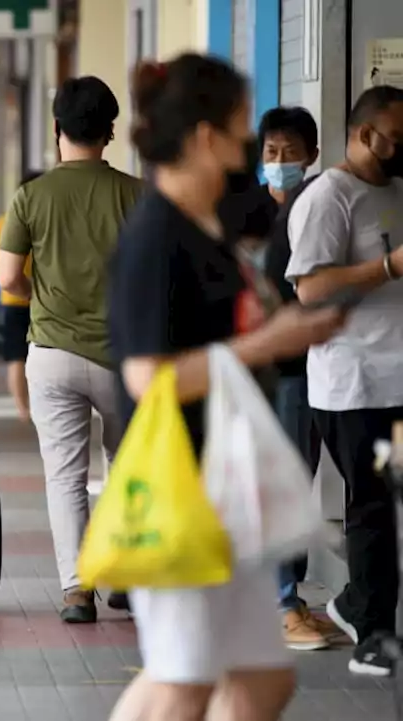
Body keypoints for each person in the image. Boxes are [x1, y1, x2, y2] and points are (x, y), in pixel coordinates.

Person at [106, 55, 345, 721]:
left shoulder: (205, 229)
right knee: (179, 682)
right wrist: (265, 345)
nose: (251, 152)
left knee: (263, 680)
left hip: (226, 484)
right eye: (243, 133)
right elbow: (147, 376)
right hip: (177, 487)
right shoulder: (156, 236)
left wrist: (283, 330)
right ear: (206, 136)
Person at [0, 75, 145, 623]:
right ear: (111, 131)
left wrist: (47, 295)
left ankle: (77, 590)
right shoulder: (136, 194)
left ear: (57, 129)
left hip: (52, 353)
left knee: (64, 475)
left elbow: (8, 277)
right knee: (126, 466)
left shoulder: (31, 196)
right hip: (123, 356)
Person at [285, 84, 403, 677]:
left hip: (399, 376)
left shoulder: (398, 192)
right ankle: (373, 634)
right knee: (373, 505)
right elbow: (309, 288)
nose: (401, 151)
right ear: (363, 135)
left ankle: (358, 604)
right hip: (350, 382)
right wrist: (386, 266)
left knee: (385, 503)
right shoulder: (327, 198)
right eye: (396, 141)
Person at [248, 106, 342, 651]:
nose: (279, 163)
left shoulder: (316, 206)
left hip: (318, 365)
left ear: (310, 155)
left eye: (288, 153)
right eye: (271, 152)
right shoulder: (254, 214)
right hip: (279, 371)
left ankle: (288, 598)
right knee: (285, 482)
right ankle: (280, 604)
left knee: (299, 482)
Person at [0, 171, 43, 422]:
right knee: (45, 354)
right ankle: (43, 406)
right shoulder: (51, 219)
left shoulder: (6, 220)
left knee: (16, 357)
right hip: (45, 299)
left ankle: (22, 409)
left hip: (13, 299)